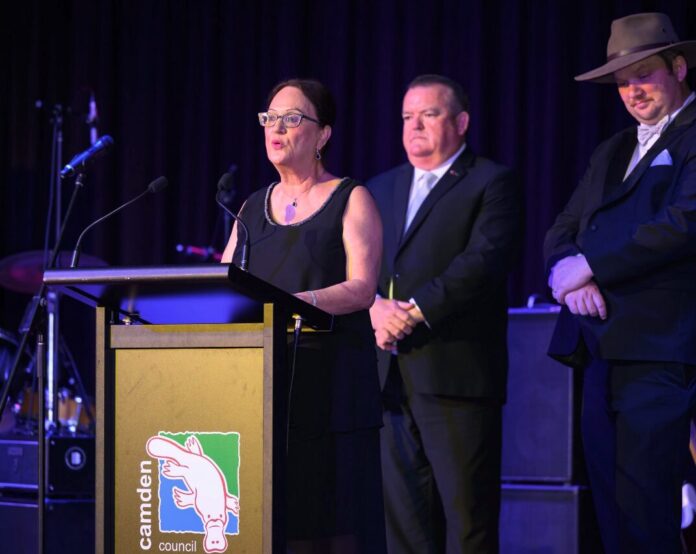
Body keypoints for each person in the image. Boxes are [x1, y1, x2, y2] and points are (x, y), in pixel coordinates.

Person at [544, 12, 696, 553]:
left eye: (644, 75)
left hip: (660, 348)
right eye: (623, 82)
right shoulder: (611, 150)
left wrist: (592, 265)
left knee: (648, 508)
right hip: (599, 349)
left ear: (678, 68)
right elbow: (562, 228)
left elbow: (683, 222)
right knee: (610, 507)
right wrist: (568, 276)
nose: (633, 91)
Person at [221, 78, 385, 553]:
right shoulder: (251, 207)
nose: (277, 128)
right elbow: (223, 285)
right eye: (270, 118)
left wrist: (297, 302)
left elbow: (362, 288)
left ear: (322, 134)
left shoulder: (351, 197)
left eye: (292, 118)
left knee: (332, 532)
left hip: (332, 391)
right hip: (264, 390)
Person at [367, 74, 523, 553]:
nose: (414, 126)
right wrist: (374, 307)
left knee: (467, 523)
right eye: (407, 117)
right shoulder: (380, 188)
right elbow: (356, 265)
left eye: (429, 114)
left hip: (456, 379)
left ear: (461, 122)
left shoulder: (491, 182)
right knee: (403, 529)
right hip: (390, 381)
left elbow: (482, 262)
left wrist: (412, 313)